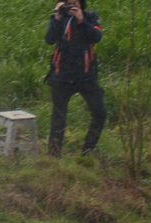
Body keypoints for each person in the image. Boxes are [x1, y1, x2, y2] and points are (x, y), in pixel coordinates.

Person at [45, 0, 106, 156]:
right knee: (58, 117)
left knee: (100, 112)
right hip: (62, 75)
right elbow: (49, 39)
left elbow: (97, 37)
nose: (72, 7)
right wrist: (56, 16)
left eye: (75, 3)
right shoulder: (60, 19)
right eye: (69, 3)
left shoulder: (90, 17)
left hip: (86, 76)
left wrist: (81, 20)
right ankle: (54, 153)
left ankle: (89, 148)